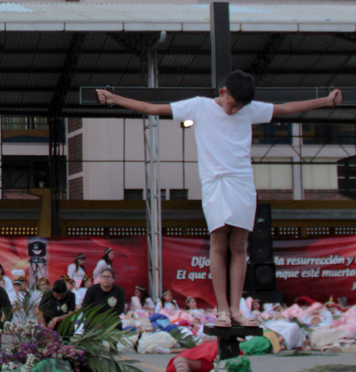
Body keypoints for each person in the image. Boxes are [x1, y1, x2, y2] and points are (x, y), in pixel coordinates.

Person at [97, 71, 341, 327]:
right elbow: (153, 108)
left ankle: (236, 309)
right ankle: (222, 309)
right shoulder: (200, 106)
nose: (234, 110)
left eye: (240, 107)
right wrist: (115, 98)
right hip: (215, 183)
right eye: (232, 103)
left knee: (239, 247)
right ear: (223, 92)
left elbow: (287, 109)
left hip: (243, 183)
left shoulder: (249, 110)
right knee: (218, 244)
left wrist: (325, 101)